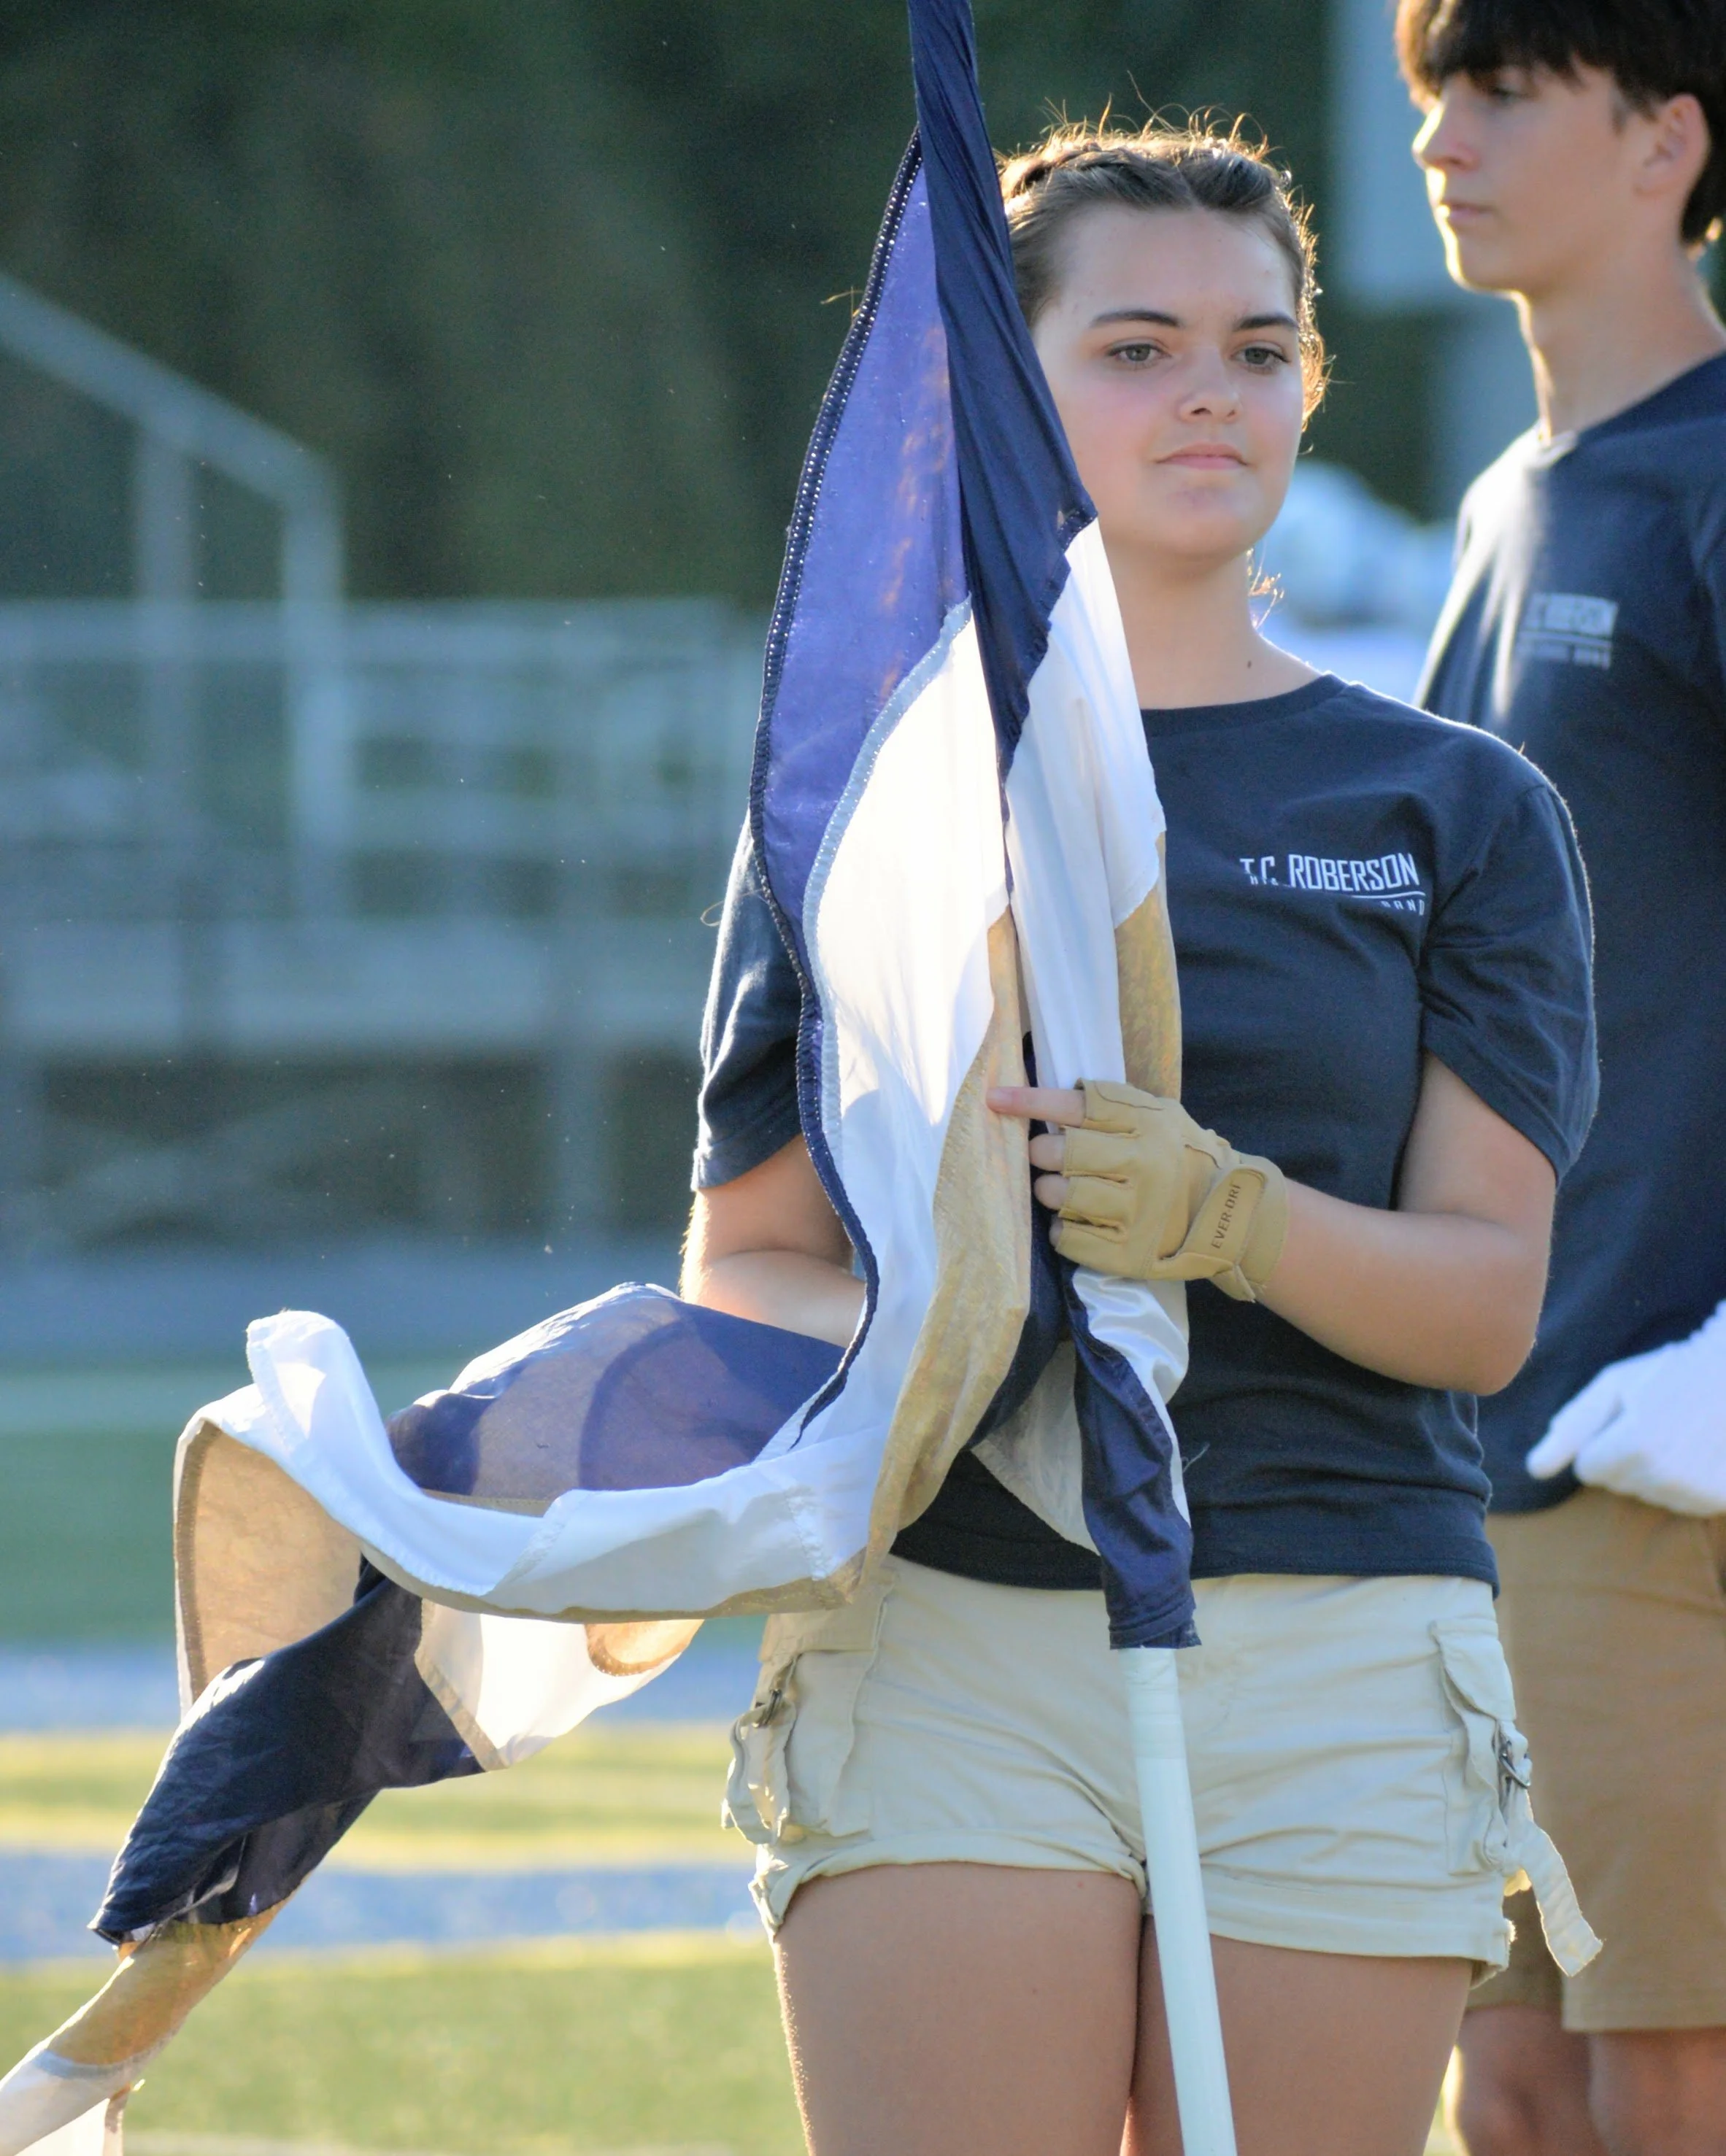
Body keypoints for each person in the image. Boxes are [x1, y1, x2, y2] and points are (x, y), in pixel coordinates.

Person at [685, 118, 1598, 2156]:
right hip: (946, 1638)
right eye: (1134, 348)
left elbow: (1483, 1309)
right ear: (999, 392)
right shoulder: (874, 805)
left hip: (1340, 1651)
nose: (1210, 392)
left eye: (1258, 350)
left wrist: (1232, 1219)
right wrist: (911, 1322)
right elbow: (750, 1261)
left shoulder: (1454, 808)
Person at [1401, 3, 1726, 2151]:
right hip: (1492, 1438)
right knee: (1509, 2086)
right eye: (1439, 86)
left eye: (1507, 90)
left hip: (1664, 1451)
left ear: (1665, 142)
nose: (1446, 135)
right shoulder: (1510, 495)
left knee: (1666, 2071)